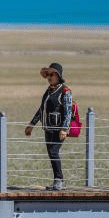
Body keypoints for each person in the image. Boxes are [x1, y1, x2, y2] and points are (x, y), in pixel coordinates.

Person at [25, 62, 74, 191]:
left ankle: (59, 180)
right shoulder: (48, 91)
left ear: (58, 76)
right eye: (48, 75)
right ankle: (58, 180)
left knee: (53, 152)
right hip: (48, 129)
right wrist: (32, 124)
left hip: (59, 130)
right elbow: (42, 110)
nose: (49, 77)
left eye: (52, 74)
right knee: (51, 154)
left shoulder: (65, 91)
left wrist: (64, 129)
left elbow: (68, 112)